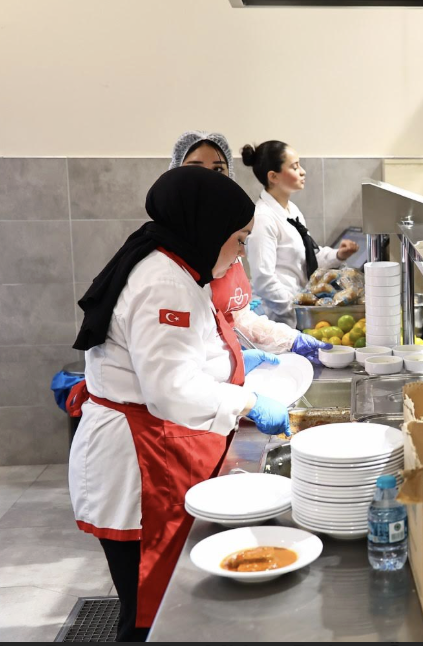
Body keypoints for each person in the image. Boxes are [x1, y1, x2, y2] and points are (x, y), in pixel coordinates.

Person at [68, 167, 294, 641]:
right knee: (147, 616)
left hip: (152, 447)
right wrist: (249, 399)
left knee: (155, 607)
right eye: (239, 239)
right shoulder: (164, 281)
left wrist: (230, 361)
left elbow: (175, 354)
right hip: (137, 464)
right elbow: (170, 389)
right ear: (208, 228)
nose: (241, 252)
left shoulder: (176, 263)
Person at [168, 131, 330, 364]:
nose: (208, 179)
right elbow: (172, 359)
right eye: (195, 168)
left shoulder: (230, 241)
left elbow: (239, 318)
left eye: (218, 169)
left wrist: (290, 339)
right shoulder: (168, 253)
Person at [242, 140, 359, 326]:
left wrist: (338, 255)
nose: (302, 171)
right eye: (295, 167)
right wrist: (294, 312)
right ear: (273, 176)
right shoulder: (263, 219)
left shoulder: (292, 211)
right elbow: (263, 280)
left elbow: (307, 257)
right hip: (276, 317)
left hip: (296, 310)